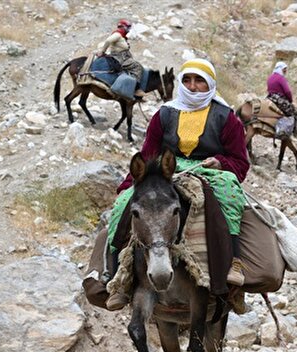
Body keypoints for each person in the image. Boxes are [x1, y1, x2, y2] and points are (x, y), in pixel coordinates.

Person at [104, 58, 250, 310]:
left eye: (200, 81)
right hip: (165, 172)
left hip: (209, 170)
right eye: (188, 80)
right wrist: (128, 186)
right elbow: (148, 152)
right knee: (125, 204)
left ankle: (234, 261)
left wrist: (221, 163)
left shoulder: (226, 118)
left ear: (211, 84)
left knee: (229, 194)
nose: (193, 87)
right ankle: (117, 274)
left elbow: (240, 161)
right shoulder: (164, 114)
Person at [97, 19, 145, 97]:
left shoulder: (122, 36)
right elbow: (108, 40)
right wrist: (102, 51)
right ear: (123, 27)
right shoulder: (118, 34)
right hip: (119, 58)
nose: (129, 29)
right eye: (128, 27)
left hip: (123, 57)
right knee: (137, 66)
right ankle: (135, 89)